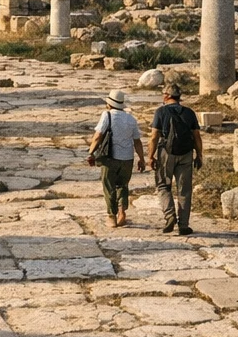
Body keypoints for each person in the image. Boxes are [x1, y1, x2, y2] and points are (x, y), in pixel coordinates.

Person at [149, 83, 203, 234]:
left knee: (163, 185)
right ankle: (184, 225)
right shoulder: (189, 113)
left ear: (167, 96)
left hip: (166, 153)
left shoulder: (160, 112)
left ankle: (170, 215)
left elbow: (154, 137)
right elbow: (197, 136)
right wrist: (199, 155)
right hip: (186, 154)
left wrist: (151, 156)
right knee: (184, 190)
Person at [87, 89, 145, 227]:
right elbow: (137, 141)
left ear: (109, 104)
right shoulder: (131, 119)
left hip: (110, 157)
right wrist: (142, 159)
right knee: (122, 185)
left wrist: (91, 152)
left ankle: (111, 216)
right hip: (127, 159)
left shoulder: (107, 115)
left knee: (109, 186)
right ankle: (122, 211)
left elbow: (98, 136)